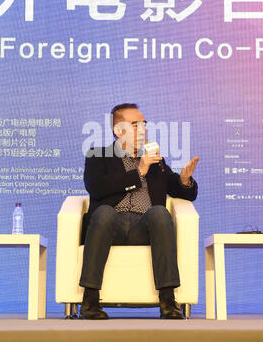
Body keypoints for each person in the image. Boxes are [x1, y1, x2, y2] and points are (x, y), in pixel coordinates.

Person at [79, 103, 199, 319]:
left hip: (144, 227)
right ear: (118, 130)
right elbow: (96, 188)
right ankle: (89, 301)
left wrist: (184, 180)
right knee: (104, 212)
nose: (142, 129)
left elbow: (184, 192)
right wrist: (139, 171)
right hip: (110, 226)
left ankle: (168, 301)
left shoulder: (156, 161)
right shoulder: (98, 155)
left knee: (160, 213)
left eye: (144, 124)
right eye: (135, 125)